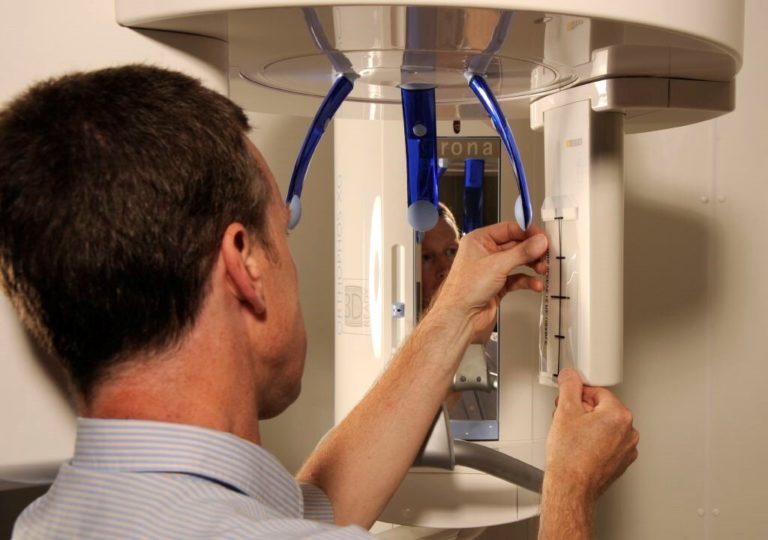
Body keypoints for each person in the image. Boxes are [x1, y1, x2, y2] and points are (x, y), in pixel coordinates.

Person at [0, 65, 638, 539]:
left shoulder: (49, 521)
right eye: (283, 230)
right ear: (244, 263)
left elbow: (309, 511)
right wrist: (570, 489)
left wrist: (451, 316)